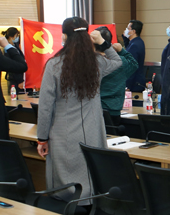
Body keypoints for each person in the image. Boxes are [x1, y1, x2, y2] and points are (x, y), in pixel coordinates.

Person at [36, 17, 122, 202]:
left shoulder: (54, 64)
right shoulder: (97, 62)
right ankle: (91, 208)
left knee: (65, 181)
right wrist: (103, 43)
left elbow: (45, 107)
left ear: (64, 37)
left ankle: (68, 211)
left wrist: (42, 138)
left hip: (63, 132)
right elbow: (117, 61)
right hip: (93, 130)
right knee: (92, 173)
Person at [97, 25, 138, 122]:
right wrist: (122, 51)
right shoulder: (121, 62)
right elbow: (134, 64)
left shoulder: (90, 61)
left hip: (94, 108)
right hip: (114, 109)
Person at [0, 27, 26, 95]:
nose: (17, 38)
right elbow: (12, 65)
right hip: (14, 78)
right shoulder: (7, 49)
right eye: (16, 35)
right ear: (12, 36)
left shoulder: (15, 45)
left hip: (19, 76)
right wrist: (20, 80)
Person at [123, 19, 146, 92]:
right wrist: (125, 38)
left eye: (128, 28)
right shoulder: (137, 41)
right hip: (136, 81)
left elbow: (132, 67)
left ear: (133, 31)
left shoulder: (134, 45)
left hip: (134, 84)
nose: (126, 30)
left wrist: (128, 86)